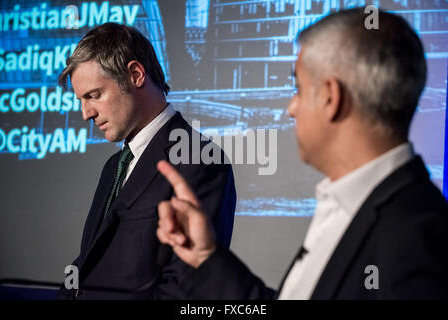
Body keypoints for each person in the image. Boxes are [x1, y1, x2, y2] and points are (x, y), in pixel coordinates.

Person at [156, 8, 448, 299]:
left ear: (331, 98)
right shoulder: (356, 206)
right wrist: (207, 257)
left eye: (298, 89)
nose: (290, 108)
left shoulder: (415, 239)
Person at [56, 23, 236, 299]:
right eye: (81, 100)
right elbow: (88, 264)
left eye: (94, 95)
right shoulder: (113, 168)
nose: (86, 114)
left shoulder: (200, 160)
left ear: (136, 75)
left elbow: (186, 289)